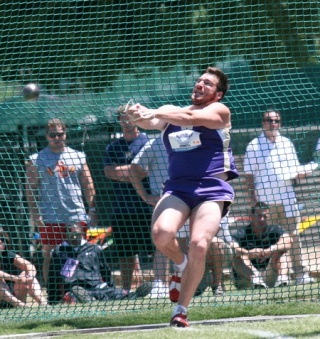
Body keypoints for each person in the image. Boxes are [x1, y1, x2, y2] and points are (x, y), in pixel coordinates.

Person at [127, 66, 238, 327]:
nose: (200, 85)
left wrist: (153, 111)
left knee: (200, 243)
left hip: (212, 188)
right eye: (199, 81)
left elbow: (189, 118)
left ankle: (181, 310)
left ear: (217, 94)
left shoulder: (220, 112)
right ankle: (181, 264)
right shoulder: (170, 111)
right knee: (161, 234)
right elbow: (150, 122)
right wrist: (137, 116)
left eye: (207, 84)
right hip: (178, 188)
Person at [243, 109, 318, 285]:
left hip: (287, 199)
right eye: (269, 120)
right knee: (270, 241)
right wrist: (254, 201)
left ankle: (300, 274)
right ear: (263, 123)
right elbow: (249, 176)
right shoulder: (254, 145)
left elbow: (294, 170)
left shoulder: (286, 143)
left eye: (276, 120)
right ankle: (270, 277)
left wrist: (304, 172)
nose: (273, 123)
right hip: (266, 202)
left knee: (293, 237)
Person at [25, 118, 98, 285]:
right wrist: (35, 215)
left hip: (76, 214)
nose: (57, 138)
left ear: (65, 134)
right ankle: (53, 292)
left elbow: (89, 185)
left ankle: (74, 288)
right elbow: (30, 190)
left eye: (60, 134)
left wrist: (92, 210)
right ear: (46, 136)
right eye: (53, 135)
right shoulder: (36, 159)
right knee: (49, 254)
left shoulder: (78, 156)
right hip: (50, 216)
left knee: (77, 253)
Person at [103, 106, 154, 296]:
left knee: (156, 247)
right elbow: (109, 172)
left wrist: (125, 172)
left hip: (147, 204)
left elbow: (148, 170)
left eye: (130, 118)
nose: (127, 122)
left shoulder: (148, 142)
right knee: (125, 252)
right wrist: (134, 173)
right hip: (123, 207)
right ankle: (125, 291)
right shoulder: (113, 147)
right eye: (123, 119)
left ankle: (160, 285)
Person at [47, 223, 152, 304]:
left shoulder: (94, 249)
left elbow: (105, 271)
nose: (74, 238)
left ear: (82, 234)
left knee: (116, 293)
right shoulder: (59, 252)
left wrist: (111, 287)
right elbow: (53, 277)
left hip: (98, 286)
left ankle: (135, 295)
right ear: (66, 235)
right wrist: (52, 300)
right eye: (71, 235)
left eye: (77, 235)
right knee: (73, 295)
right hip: (76, 288)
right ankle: (88, 300)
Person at [230, 202, 292, 289]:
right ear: (251, 216)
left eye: (265, 216)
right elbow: (231, 247)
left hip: (269, 275)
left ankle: (282, 280)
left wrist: (271, 250)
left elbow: (288, 240)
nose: (262, 219)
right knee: (238, 257)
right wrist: (248, 253)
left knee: (281, 251)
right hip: (247, 277)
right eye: (259, 216)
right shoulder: (241, 233)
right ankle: (256, 281)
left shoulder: (275, 229)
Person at [0, 229, 48, 308]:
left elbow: (29, 265)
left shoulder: (6, 254)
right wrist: (15, 278)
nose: (1, 241)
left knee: (26, 274)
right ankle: (21, 306)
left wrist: (30, 276)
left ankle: (43, 303)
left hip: (10, 295)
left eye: (2, 239)